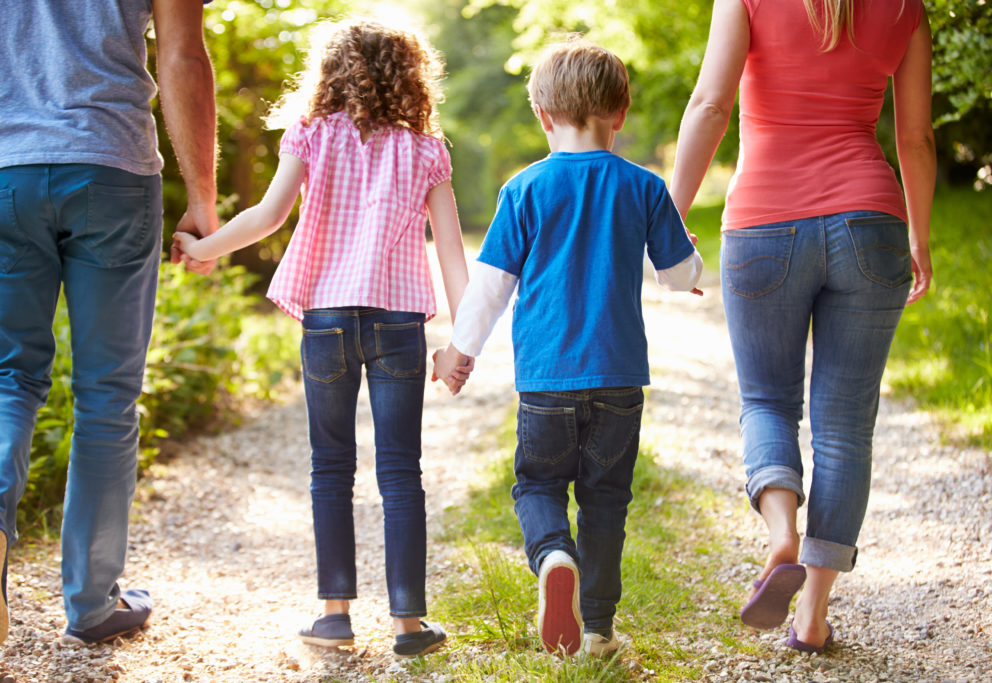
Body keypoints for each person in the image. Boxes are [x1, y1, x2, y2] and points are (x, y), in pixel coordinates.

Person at [174, 19, 469, 659]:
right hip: (398, 323)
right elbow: (451, 252)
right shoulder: (426, 149)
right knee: (401, 471)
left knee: (329, 465)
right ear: (411, 77)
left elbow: (269, 215)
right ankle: (409, 624)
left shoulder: (311, 134)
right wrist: (460, 343)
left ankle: (334, 614)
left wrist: (205, 249)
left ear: (330, 73)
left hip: (328, 320)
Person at [669, 0, 935, 653]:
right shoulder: (906, 9)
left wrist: (669, 219)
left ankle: (780, 531)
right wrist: (920, 237)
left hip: (764, 223)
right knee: (844, 426)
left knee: (767, 400)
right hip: (870, 225)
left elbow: (710, 104)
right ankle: (812, 614)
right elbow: (915, 139)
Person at [433, 37, 704, 657]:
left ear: (542, 115)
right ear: (622, 113)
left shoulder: (524, 189)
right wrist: (688, 264)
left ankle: (554, 554)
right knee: (606, 499)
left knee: (537, 485)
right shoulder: (643, 187)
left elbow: (491, 286)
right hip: (619, 380)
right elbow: (679, 274)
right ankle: (600, 631)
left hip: (547, 381)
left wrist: (459, 352)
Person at [0, 0, 218, 646]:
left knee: (9, 376)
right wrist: (202, 197)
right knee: (106, 395)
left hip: (7, 169)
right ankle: (92, 602)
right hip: (110, 166)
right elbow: (182, 54)